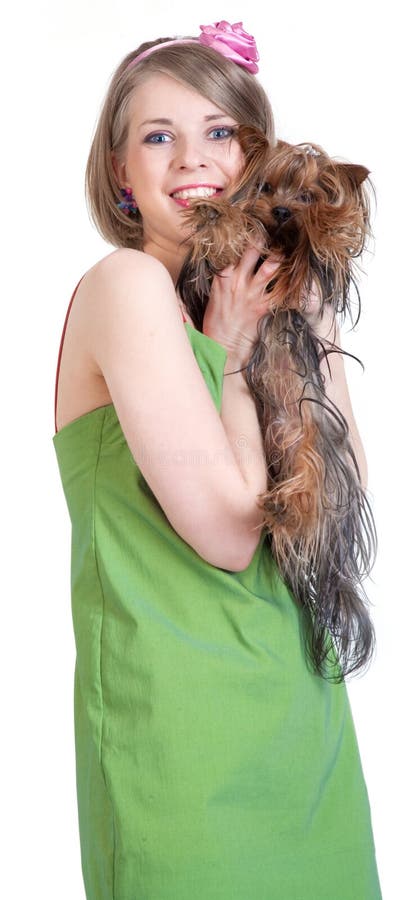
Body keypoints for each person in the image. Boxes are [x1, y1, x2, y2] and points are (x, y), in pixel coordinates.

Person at [52, 20, 382, 900]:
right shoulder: (125, 290)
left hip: (302, 730)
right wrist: (230, 347)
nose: (191, 160)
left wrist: (306, 313)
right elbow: (232, 534)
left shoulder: (251, 302)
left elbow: (342, 501)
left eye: (219, 133)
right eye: (158, 136)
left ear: (253, 155)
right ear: (122, 175)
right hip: (182, 747)